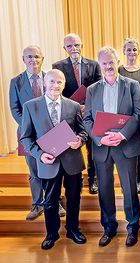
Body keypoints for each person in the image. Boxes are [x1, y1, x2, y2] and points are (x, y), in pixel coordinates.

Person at [20, 69, 87, 249]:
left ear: (64, 84)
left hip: (72, 161)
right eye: (51, 82)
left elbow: (82, 131)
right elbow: (25, 138)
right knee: (50, 201)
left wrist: (80, 140)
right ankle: (51, 233)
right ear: (44, 82)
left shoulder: (73, 105)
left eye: (59, 82)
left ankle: (73, 229)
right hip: (48, 163)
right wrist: (39, 154)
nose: (55, 86)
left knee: (74, 198)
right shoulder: (30, 106)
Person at [83, 46, 140, 247]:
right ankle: (109, 228)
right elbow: (87, 119)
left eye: (111, 62)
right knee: (105, 190)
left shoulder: (132, 85)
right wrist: (100, 139)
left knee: (129, 189)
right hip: (103, 147)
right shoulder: (92, 90)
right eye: (104, 63)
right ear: (100, 65)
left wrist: (122, 134)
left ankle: (132, 227)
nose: (108, 66)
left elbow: (138, 113)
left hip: (126, 145)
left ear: (118, 62)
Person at [9, 46, 65, 220]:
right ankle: (38, 204)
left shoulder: (51, 78)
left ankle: (56, 202)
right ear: (24, 59)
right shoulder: (16, 82)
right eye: (29, 57)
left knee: (55, 168)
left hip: (52, 132)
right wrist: (29, 127)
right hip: (27, 135)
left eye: (37, 57)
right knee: (33, 171)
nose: (33, 60)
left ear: (43, 58)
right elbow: (15, 108)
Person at [52, 33, 102, 195]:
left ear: (82, 46)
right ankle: (75, 179)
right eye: (70, 46)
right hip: (67, 114)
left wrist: (87, 105)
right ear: (64, 48)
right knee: (70, 148)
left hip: (90, 112)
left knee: (91, 147)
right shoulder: (57, 66)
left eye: (77, 45)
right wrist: (73, 106)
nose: (74, 49)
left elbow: (99, 89)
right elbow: (57, 91)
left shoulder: (94, 65)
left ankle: (92, 179)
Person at [118, 38, 140, 194]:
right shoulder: (118, 70)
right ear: (124, 52)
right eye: (128, 49)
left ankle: (139, 180)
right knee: (125, 148)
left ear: (139, 51)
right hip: (124, 118)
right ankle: (126, 180)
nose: (131, 52)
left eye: (134, 49)